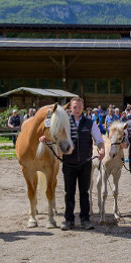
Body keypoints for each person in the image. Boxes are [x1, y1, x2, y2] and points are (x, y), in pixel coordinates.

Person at [45, 97, 104, 230]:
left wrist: (102, 149)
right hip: (69, 164)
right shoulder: (64, 123)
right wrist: (46, 140)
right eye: (74, 107)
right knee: (69, 192)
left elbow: (99, 139)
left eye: (79, 107)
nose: (77, 110)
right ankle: (68, 220)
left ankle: (85, 220)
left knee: (84, 192)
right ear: (70, 108)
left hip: (85, 163)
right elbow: (56, 138)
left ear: (83, 108)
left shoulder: (90, 123)